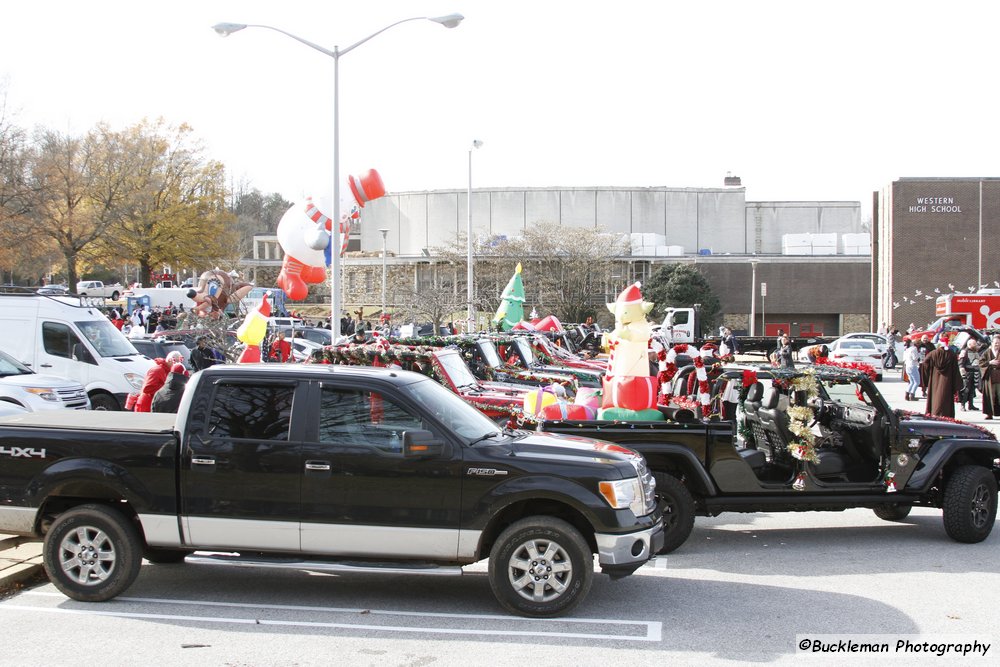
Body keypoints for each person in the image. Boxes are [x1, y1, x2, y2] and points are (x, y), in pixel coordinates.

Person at [919, 340, 961, 418]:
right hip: (947, 380)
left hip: (934, 380)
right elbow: (955, 369)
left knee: (934, 397)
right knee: (946, 397)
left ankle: (935, 412)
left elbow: (925, 363)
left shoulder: (933, 353)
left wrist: (927, 375)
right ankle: (946, 414)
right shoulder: (951, 354)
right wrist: (957, 383)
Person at [957, 338, 982, 411]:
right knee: (966, 390)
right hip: (967, 373)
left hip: (975, 372)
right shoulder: (964, 352)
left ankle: (971, 405)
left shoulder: (976, 351)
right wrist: (963, 374)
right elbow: (961, 363)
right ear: (969, 344)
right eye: (974, 344)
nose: (975, 345)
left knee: (972, 389)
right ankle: (962, 405)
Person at [979, 335, 1000, 420]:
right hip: (990, 378)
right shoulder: (987, 352)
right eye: (995, 343)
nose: (997, 345)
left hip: (999, 378)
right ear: (992, 343)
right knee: (990, 396)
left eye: (998, 343)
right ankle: (989, 414)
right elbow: (981, 363)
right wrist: (990, 362)